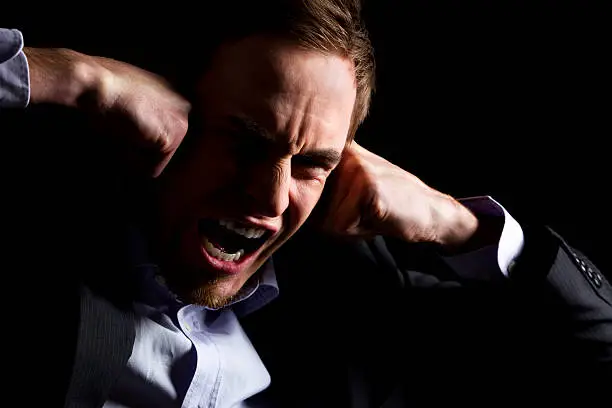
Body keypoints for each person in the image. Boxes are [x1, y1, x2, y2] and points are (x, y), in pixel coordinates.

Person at [1, 1, 610, 406]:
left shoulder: (359, 299)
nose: (269, 198)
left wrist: (452, 221)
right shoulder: (42, 217)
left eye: (312, 164)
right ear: (163, 111)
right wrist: (61, 75)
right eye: (245, 141)